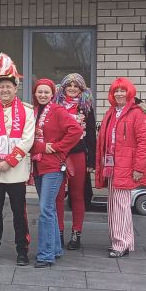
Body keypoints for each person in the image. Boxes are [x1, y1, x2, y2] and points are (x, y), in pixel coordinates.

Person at [0, 53, 35, 266]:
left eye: (8, 86)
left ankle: (22, 250)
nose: (5, 90)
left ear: (15, 88)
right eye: (1, 87)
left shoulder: (27, 110)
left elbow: (28, 139)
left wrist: (9, 161)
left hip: (15, 170)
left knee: (19, 213)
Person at [95, 77, 146, 258]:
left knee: (120, 205)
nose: (119, 94)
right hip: (113, 164)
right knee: (115, 205)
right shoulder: (112, 112)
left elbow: (144, 143)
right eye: (116, 91)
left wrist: (139, 168)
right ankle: (123, 241)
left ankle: (120, 244)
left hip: (126, 165)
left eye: (122, 90)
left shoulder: (138, 113)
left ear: (129, 92)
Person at [31, 79, 81, 268]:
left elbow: (76, 131)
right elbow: (28, 139)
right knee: (49, 209)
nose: (43, 95)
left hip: (53, 166)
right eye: (39, 92)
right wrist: (42, 147)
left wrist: (59, 147)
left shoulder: (58, 111)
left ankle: (45, 255)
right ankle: (56, 249)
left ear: (53, 94)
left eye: (46, 92)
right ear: (35, 93)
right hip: (38, 165)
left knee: (45, 210)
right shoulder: (34, 112)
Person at [55, 73, 97, 251]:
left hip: (78, 154)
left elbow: (92, 135)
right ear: (63, 88)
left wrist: (92, 161)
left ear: (81, 89)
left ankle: (76, 233)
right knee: (57, 195)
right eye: (69, 85)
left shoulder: (85, 108)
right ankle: (58, 232)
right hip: (58, 154)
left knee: (77, 194)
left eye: (76, 86)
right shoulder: (55, 105)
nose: (72, 88)